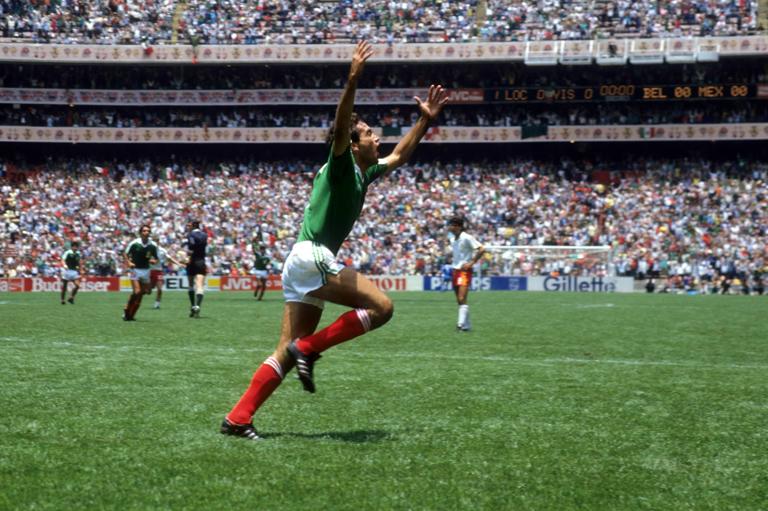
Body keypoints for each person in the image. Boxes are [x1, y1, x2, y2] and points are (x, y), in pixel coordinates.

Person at [220, 40, 448, 440]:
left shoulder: (364, 173)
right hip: (312, 255)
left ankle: (238, 418)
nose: (377, 138)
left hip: (300, 262)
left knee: (285, 350)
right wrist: (352, 80)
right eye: (370, 134)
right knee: (382, 307)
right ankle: (310, 349)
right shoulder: (342, 164)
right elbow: (342, 126)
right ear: (353, 144)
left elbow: (399, 157)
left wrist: (424, 121)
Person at [447, 216, 485, 332]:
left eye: (451, 225)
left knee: (462, 297)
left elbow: (482, 249)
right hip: (455, 270)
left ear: (458, 226)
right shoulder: (452, 239)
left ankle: (460, 325)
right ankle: (467, 326)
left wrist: (471, 263)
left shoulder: (467, 237)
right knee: (460, 300)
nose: (449, 227)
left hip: (464, 271)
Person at [123, 224, 159, 321]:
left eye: (148, 231)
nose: (146, 232)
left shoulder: (153, 245)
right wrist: (129, 262)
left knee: (147, 292)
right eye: (144, 231)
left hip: (146, 271)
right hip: (135, 270)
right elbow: (125, 253)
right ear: (140, 233)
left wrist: (154, 261)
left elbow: (156, 258)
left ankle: (131, 314)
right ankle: (127, 310)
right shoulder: (135, 243)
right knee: (137, 292)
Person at [185, 220, 208, 318]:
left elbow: (191, 247)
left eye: (189, 225)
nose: (188, 227)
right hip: (201, 261)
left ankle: (192, 305)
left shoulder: (190, 235)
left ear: (193, 226)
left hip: (192, 261)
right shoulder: (205, 235)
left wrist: (187, 257)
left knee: (191, 284)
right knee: (200, 285)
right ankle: (198, 306)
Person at [60, 240, 83, 305]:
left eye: (76, 247)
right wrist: (64, 265)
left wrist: (81, 269)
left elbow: (79, 262)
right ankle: (62, 300)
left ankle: (71, 297)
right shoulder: (68, 252)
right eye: (74, 247)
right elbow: (62, 260)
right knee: (64, 287)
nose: (75, 248)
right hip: (67, 271)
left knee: (77, 286)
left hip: (74, 271)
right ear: (72, 247)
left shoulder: (78, 253)